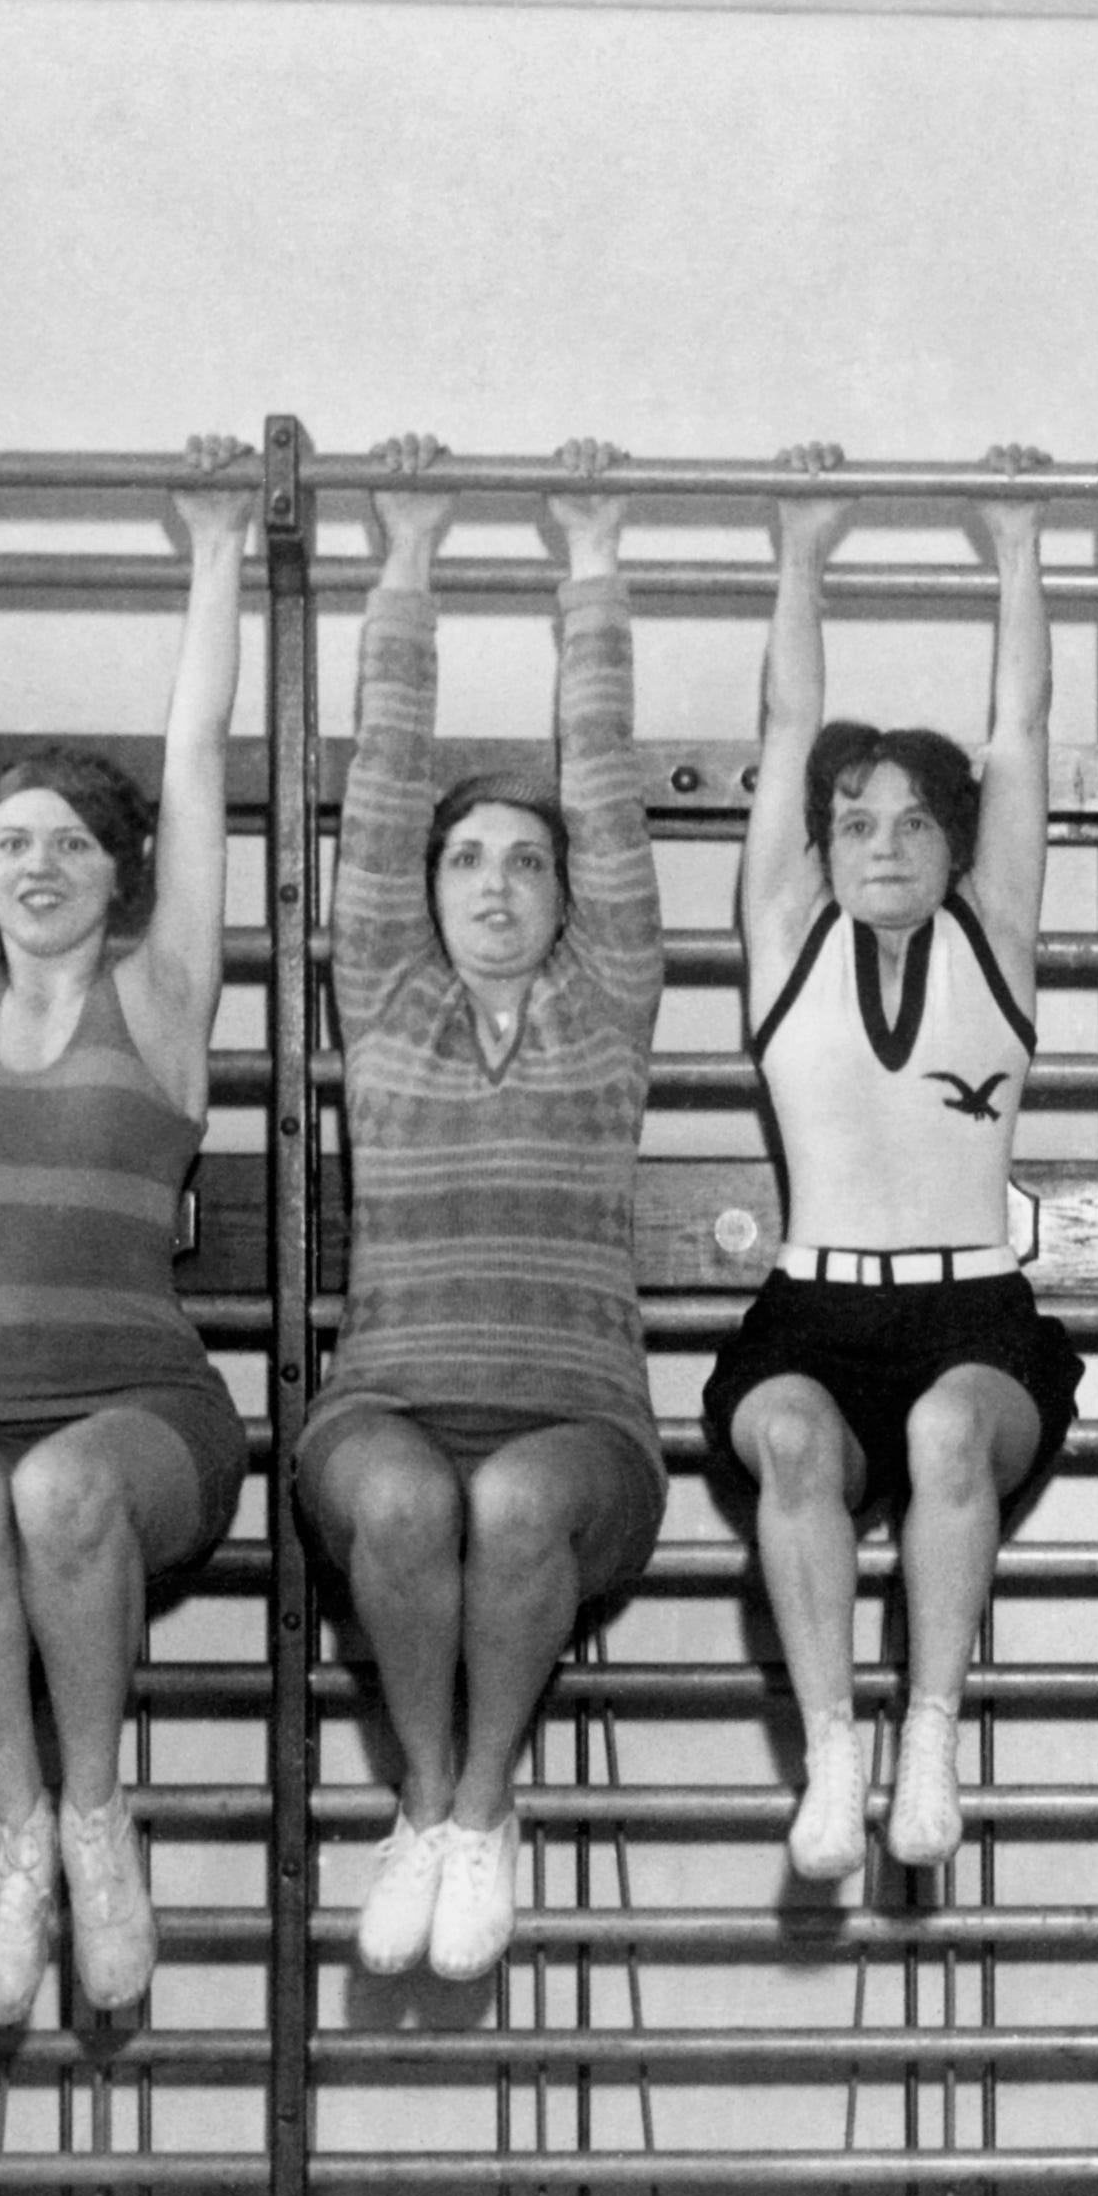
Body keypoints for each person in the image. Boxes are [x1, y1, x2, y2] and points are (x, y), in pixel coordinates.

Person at [0, 442, 258, 2029]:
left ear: (119, 874)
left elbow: (203, 751)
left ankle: (97, 1819)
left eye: (74, 844)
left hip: (142, 1407)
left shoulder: (157, 1000)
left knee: (63, 1490)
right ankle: (15, 1831)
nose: (39, 864)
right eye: (14, 840)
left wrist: (215, 549)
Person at [296, 441, 664, 1984]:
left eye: (527, 864)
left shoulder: (609, 998)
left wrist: (590, 558)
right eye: (467, 861)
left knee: (510, 1509)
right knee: (399, 1506)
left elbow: (601, 772)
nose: (496, 884)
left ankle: (479, 1809)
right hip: (391, 1404)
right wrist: (410, 552)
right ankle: (423, 1807)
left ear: (572, 900)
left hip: (578, 1430)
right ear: (427, 890)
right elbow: (380, 783)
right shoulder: (382, 993)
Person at [706, 447, 1087, 1888]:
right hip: (813, 1308)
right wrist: (801, 544)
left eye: (917, 821)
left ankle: (929, 1729)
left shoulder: (994, 932)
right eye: (855, 821)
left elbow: (1024, 725)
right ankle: (832, 1752)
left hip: (974, 1310)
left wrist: (1015, 542)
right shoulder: (787, 930)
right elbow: (789, 715)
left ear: (958, 847)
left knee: (943, 1440)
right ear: (819, 843)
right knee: (795, 1444)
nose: (885, 843)